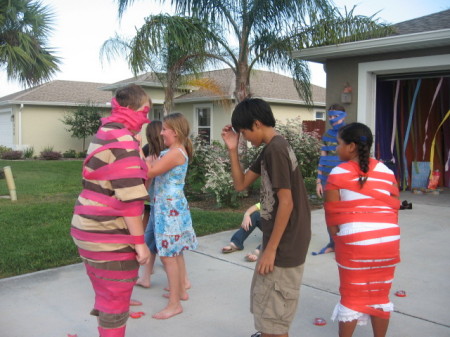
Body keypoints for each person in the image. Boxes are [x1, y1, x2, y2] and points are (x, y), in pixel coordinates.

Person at [221, 98, 311, 337]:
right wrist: (232, 148)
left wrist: (269, 249)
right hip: (280, 243)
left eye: (244, 132)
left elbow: (287, 202)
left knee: (274, 322)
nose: (245, 138)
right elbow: (240, 184)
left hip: (285, 246)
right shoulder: (270, 149)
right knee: (267, 314)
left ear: (257, 123)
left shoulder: (276, 150)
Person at [70, 84, 151, 337]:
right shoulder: (124, 141)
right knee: (115, 303)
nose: (147, 119)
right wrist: (140, 244)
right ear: (134, 109)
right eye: (146, 111)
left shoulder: (104, 132)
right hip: (110, 236)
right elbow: (130, 200)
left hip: (86, 228)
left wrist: (134, 147)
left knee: (107, 296)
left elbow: (114, 176)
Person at [324, 122, 400, 337]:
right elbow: (394, 211)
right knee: (380, 295)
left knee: (351, 297)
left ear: (351, 147)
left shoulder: (338, 173)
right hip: (389, 242)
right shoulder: (387, 171)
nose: (335, 149)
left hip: (355, 242)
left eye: (338, 144)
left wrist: (339, 245)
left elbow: (333, 220)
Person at [146, 112, 198, 320]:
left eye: (165, 129)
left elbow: (150, 172)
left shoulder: (175, 153)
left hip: (170, 211)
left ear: (175, 132)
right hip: (170, 208)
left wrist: (141, 159)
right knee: (176, 252)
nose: (161, 132)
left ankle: (174, 304)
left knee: (168, 255)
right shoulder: (173, 150)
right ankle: (181, 290)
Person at [313, 104, 347, 255]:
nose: (332, 119)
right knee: (330, 213)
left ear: (343, 116)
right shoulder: (327, 136)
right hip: (328, 180)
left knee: (346, 212)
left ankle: (345, 242)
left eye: (335, 116)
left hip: (346, 180)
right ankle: (333, 243)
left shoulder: (349, 134)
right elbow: (323, 158)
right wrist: (319, 181)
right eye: (330, 117)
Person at [136, 121, 165, 288]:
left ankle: (182, 281)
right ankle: (146, 277)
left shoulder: (153, 157)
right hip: (156, 204)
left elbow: (147, 181)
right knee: (152, 240)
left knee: (156, 244)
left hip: (158, 204)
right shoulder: (167, 155)